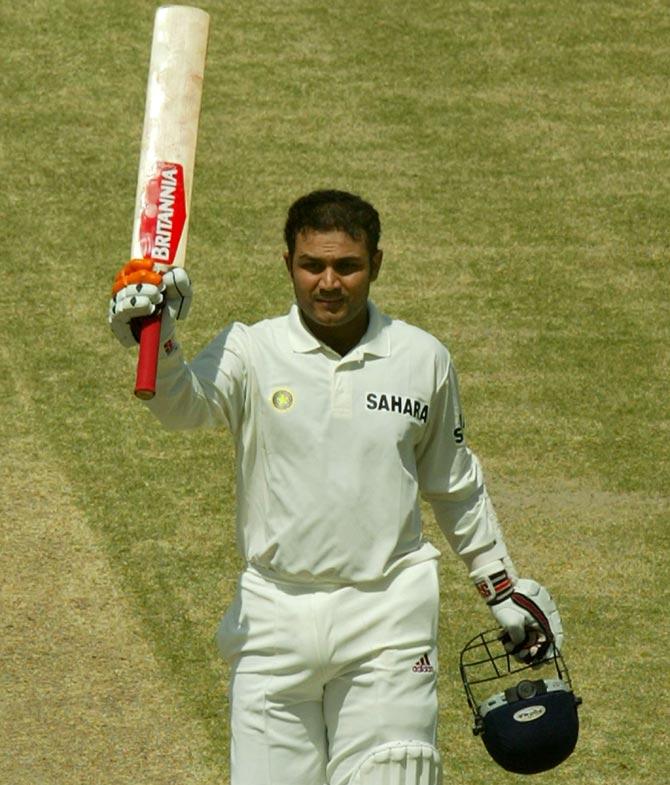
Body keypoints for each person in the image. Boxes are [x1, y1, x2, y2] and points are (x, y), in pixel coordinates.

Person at [109, 190, 564, 785]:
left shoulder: (422, 358)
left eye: (346, 266)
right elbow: (180, 407)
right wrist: (157, 333)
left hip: (388, 614)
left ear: (376, 264)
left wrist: (500, 584)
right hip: (273, 617)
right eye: (311, 266)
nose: (328, 282)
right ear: (288, 265)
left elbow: (455, 484)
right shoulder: (251, 348)